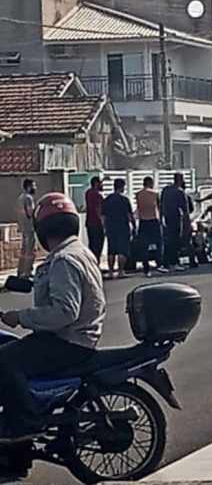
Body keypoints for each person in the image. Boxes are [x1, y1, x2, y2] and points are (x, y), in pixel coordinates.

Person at [0, 192, 105, 449]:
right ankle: (15, 453)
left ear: (43, 228)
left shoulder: (64, 259)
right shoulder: (77, 251)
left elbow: (64, 311)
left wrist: (20, 317)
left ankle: (26, 424)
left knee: (4, 360)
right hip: (74, 337)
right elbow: (50, 286)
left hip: (68, 341)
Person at [102, 178, 135, 280]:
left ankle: (111, 272)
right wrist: (134, 225)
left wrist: (104, 227)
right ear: (122, 187)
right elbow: (129, 215)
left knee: (111, 250)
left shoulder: (107, 199)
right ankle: (121, 271)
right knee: (122, 250)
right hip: (123, 227)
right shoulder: (124, 200)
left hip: (111, 227)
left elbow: (103, 216)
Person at [135, 177, 168, 277]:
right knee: (159, 242)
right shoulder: (155, 194)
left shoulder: (138, 194)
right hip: (154, 219)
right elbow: (159, 207)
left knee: (143, 245)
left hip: (143, 220)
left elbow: (138, 207)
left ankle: (146, 267)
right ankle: (159, 263)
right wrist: (162, 220)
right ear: (150, 183)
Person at [159, 173, 190, 272]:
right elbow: (185, 209)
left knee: (168, 240)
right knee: (175, 241)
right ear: (181, 180)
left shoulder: (166, 190)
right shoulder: (180, 192)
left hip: (166, 217)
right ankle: (174, 262)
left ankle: (165, 262)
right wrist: (187, 222)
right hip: (176, 217)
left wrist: (161, 217)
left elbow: (160, 205)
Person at [15, 179, 36, 279]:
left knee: (23, 250)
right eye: (33, 186)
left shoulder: (21, 197)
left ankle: (21, 270)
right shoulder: (28, 198)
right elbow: (31, 213)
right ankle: (27, 272)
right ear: (28, 187)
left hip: (23, 227)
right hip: (29, 227)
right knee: (31, 250)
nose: (35, 188)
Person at [84, 177, 105, 267]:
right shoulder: (98, 195)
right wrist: (103, 223)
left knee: (92, 244)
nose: (102, 185)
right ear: (96, 183)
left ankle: (91, 264)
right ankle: (96, 265)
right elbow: (98, 209)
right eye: (100, 183)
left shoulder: (88, 193)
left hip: (89, 223)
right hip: (97, 224)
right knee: (98, 246)